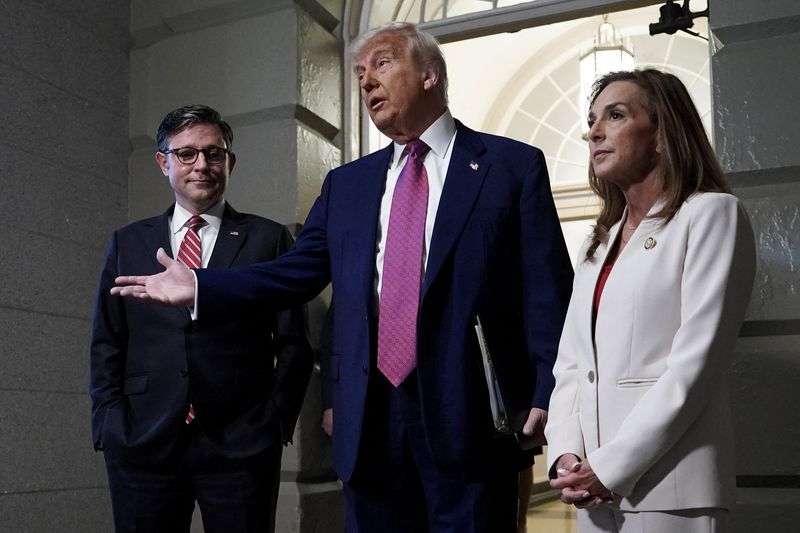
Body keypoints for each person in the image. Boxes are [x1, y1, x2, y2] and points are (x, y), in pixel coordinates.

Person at [111, 23, 573, 532]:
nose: (367, 81)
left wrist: (548, 390)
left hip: (470, 419)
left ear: (429, 75)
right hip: (370, 420)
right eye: (359, 73)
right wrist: (201, 286)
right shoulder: (347, 185)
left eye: (382, 63)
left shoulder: (510, 167)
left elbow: (547, 292)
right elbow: (294, 273)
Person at [545, 69, 756, 532]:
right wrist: (566, 455)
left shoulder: (711, 214)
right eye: (592, 120)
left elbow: (695, 366)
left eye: (615, 115)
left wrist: (611, 468)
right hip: (592, 494)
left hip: (673, 492)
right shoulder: (595, 244)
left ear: (663, 134)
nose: (594, 131)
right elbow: (571, 366)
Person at [90, 104, 313, 532]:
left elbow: (294, 343)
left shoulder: (267, 239)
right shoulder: (128, 242)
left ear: (230, 161)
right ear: (163, 162)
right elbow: (106, 341)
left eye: (214, 153)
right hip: (142, 441)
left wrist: (275, 423)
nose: (202, 165)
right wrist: (108, 422)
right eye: (187, 154)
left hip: (240, 447)